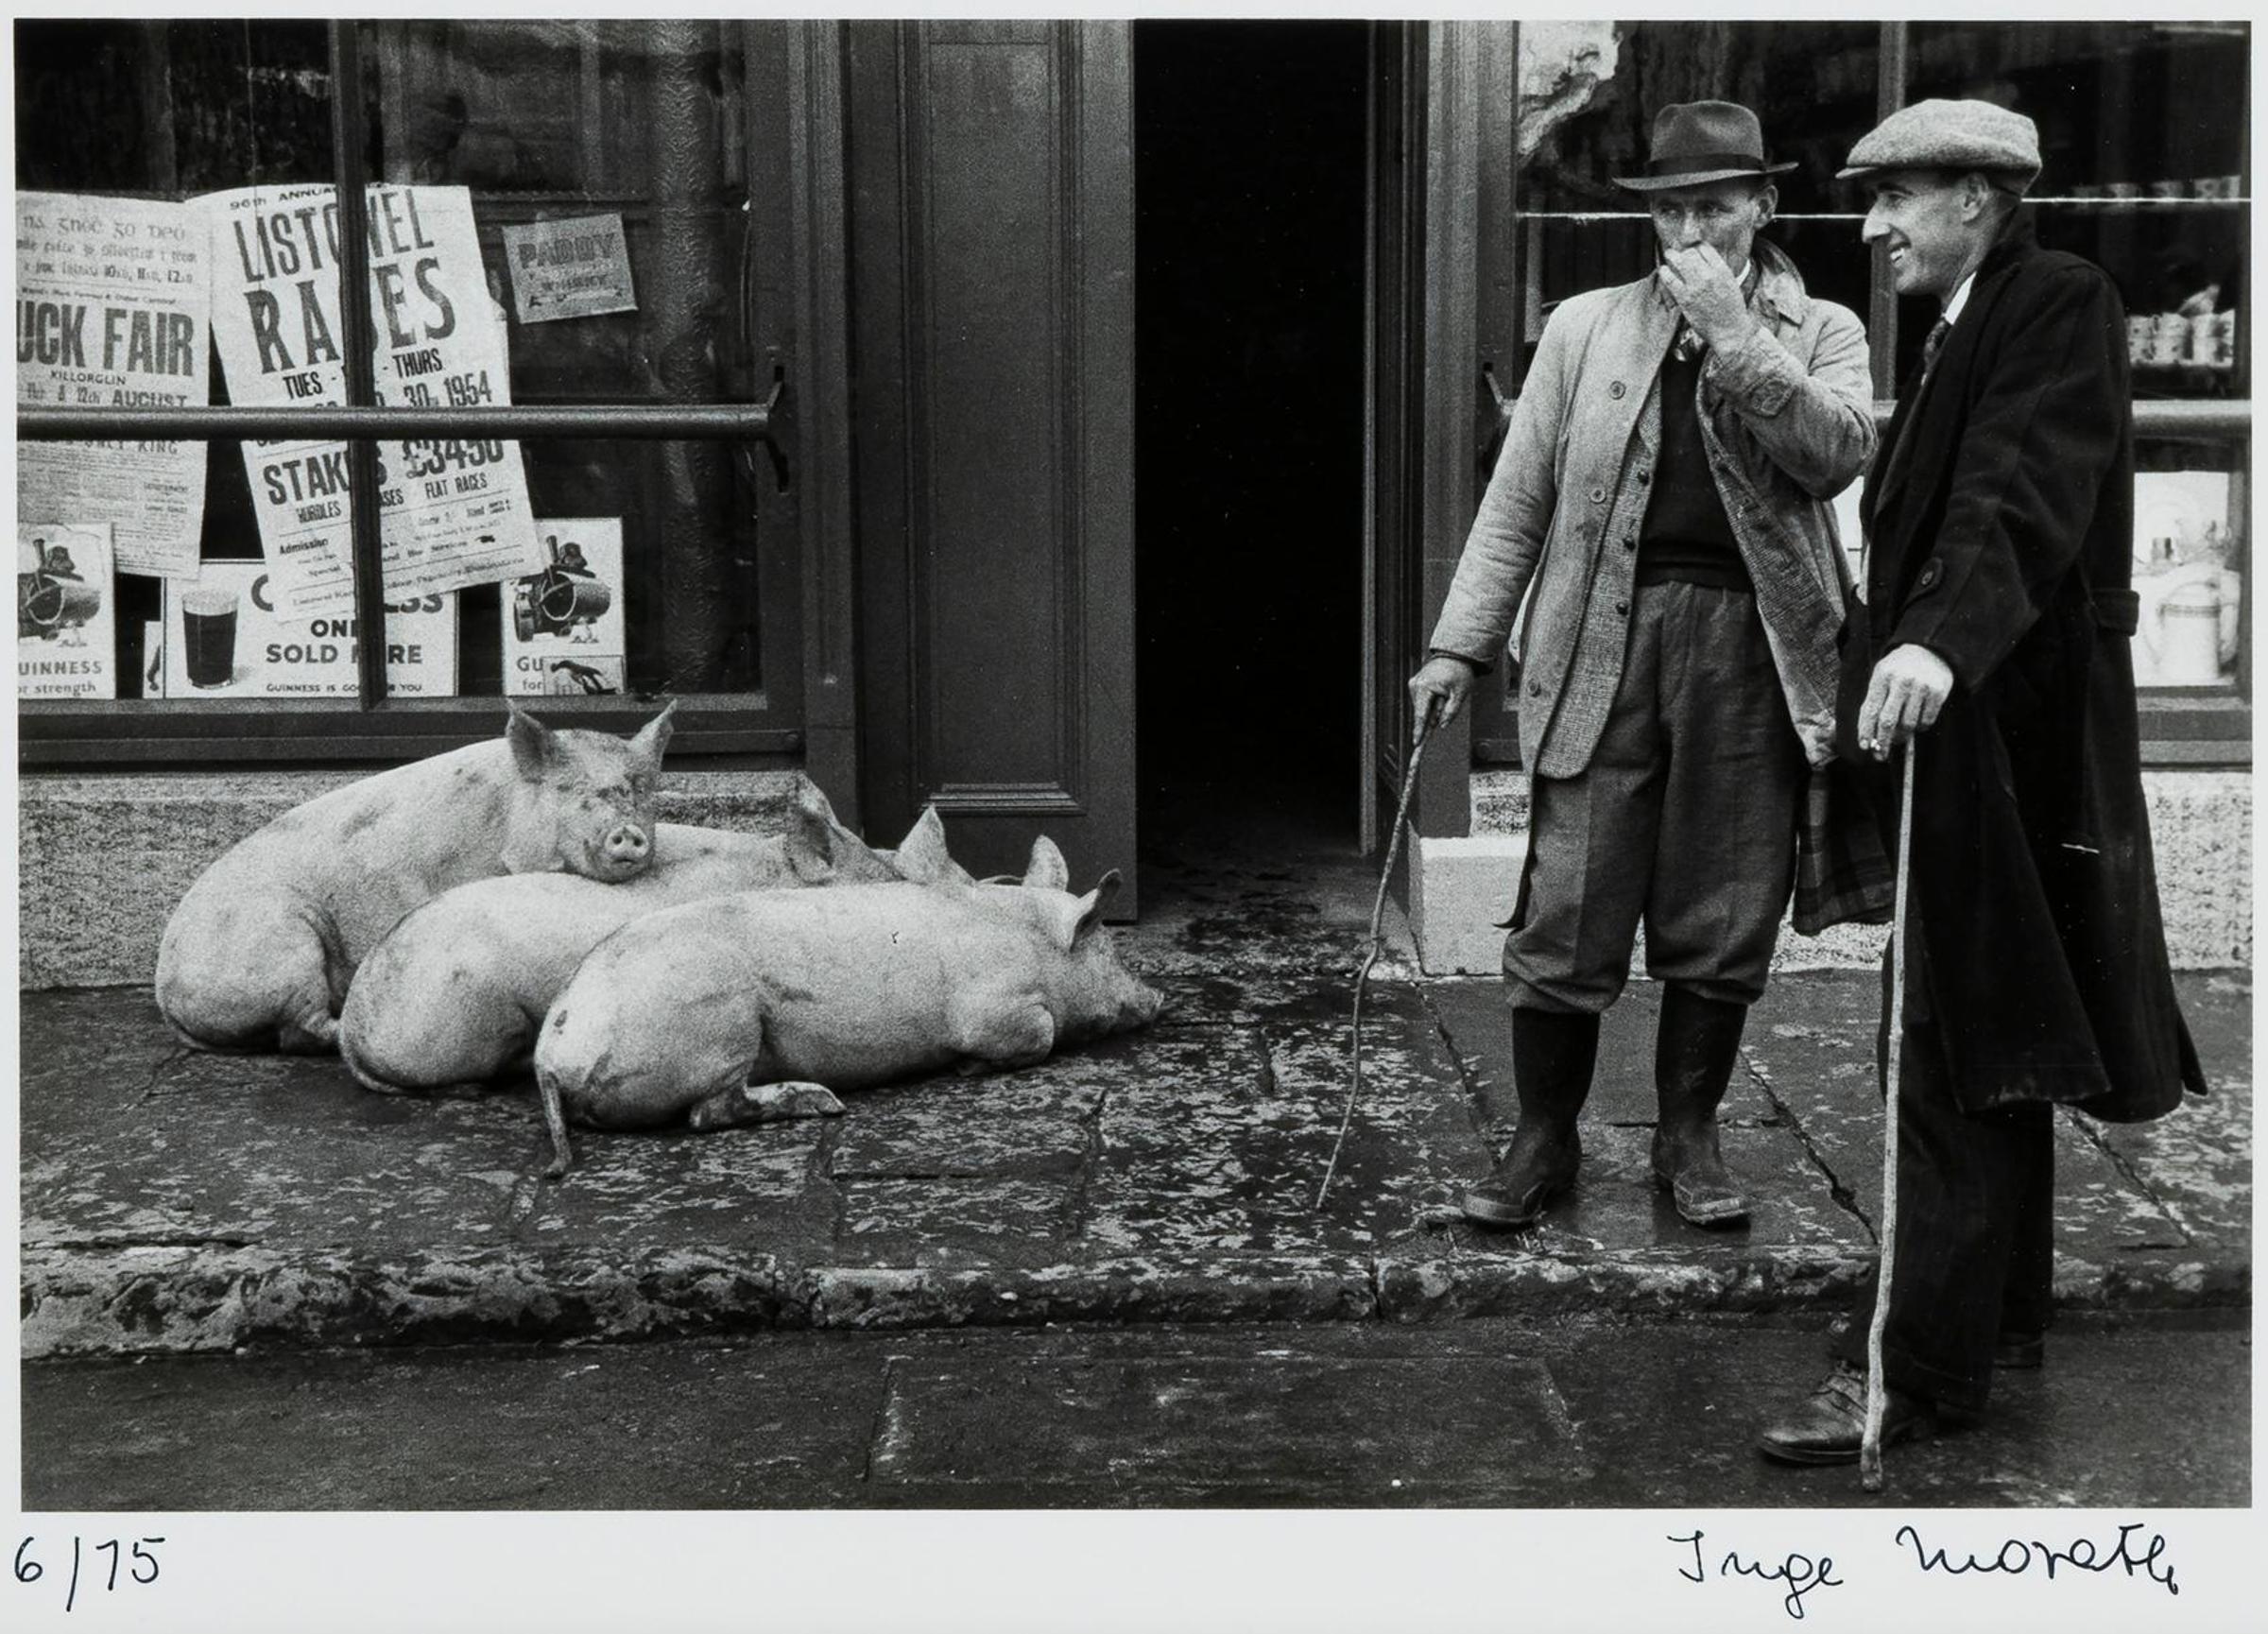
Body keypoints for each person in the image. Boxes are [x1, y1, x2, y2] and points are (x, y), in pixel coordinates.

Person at [1756, 100, 2207, 1466]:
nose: (1873, 222)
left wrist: (1935, 645)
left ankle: (1906, 1373)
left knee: (1950, 1043)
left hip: (2003, 738)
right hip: (1991, 731)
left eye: (1895, 195)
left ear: (1978, 198)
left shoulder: (2053, 299)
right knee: (2003, 1030)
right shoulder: (1973, 319)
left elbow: (2014, 491)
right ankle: (1997, 1320)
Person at [1408, 101, 1875, 1230]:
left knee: (1723, 904)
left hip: (1751, 653)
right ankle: (1540, 1141)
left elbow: (1834, 453)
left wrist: (1734, 332)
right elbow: (1518, 499)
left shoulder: (1825, 330)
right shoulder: (1581, 327)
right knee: (1568, 900)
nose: (1688, 228)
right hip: (1596, 641)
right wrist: (1457, 645)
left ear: (1762, 208)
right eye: (1670, 208)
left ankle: (1690, 1139)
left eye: (1713, 206)